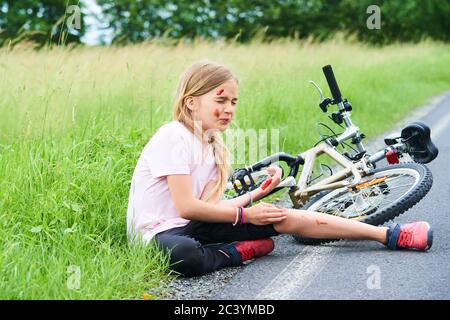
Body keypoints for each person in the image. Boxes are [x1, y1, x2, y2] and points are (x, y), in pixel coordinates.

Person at [126, 60, 433, 277]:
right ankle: (233, 253)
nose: (229, 109)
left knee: (282, 215)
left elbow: (209, 209)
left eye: (234, 101)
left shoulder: (211, 144)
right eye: (221, 100)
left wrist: (260, 193)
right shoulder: (173, 136)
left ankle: (388, 234)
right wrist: (246, 215)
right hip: (159, 235)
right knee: (184, 254)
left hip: (196, 226)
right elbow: (186, 207)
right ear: (191, 102)